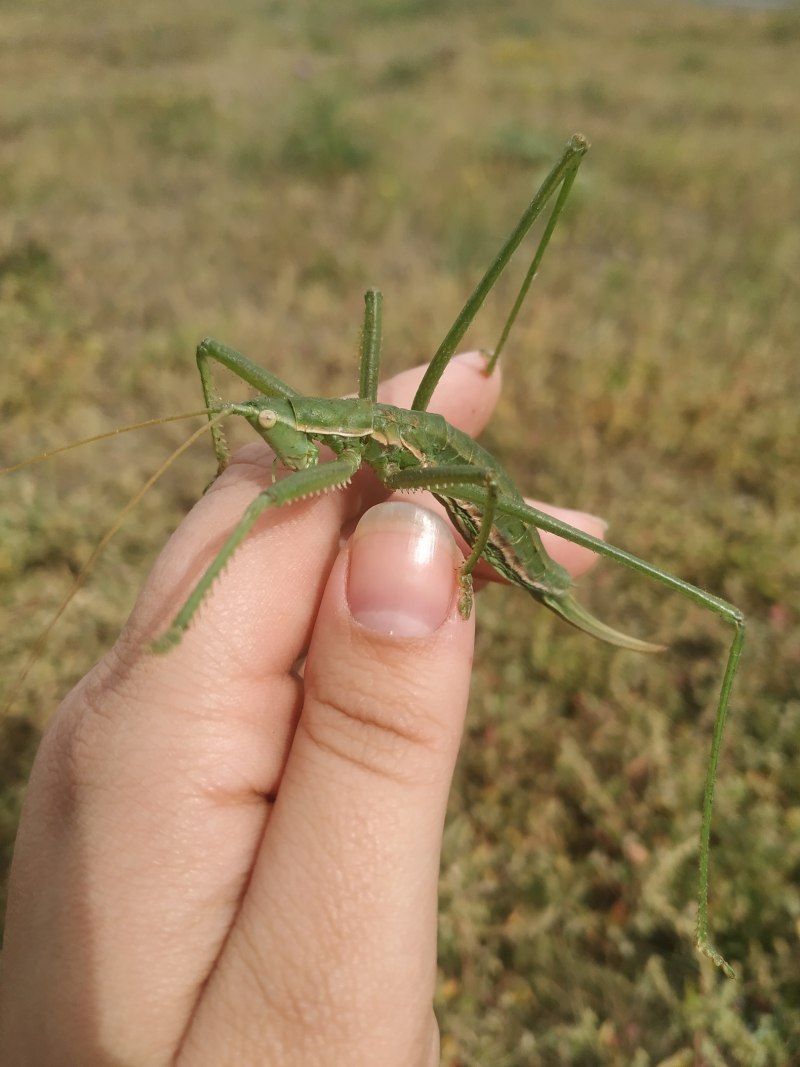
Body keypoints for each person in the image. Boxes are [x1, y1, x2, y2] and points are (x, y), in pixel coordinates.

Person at [0, 352, 606, 1065]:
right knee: (213, 360)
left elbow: (275, 493)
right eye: (267, 422)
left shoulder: (362, 454)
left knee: (259, 498)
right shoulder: (302, 424)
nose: (274, 437)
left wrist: (178, 625)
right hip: (395, 440)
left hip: (463, 482)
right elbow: (208, 356)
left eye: (272, 422)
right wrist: (238, 433)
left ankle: (183, 615)